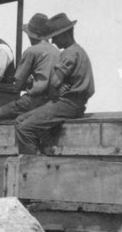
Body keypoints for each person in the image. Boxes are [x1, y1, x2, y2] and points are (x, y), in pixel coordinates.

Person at [14, 13, 95, 155]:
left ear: (65, 34)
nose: (53, 41)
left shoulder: (69, 53)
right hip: (73, 104)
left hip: (68, 105)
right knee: (20, 120)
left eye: (55, 37)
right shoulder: (79, 51)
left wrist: (53, 88)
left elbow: (54, 83)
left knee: (23, 128)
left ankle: (31, 164)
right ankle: (42, 154)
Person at [0, 13, 59, 126]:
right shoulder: (55, 50)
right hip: (52, 101)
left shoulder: (31, 51)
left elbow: (18, 85)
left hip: (34, 101)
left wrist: (27, 83)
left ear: (31, 35)